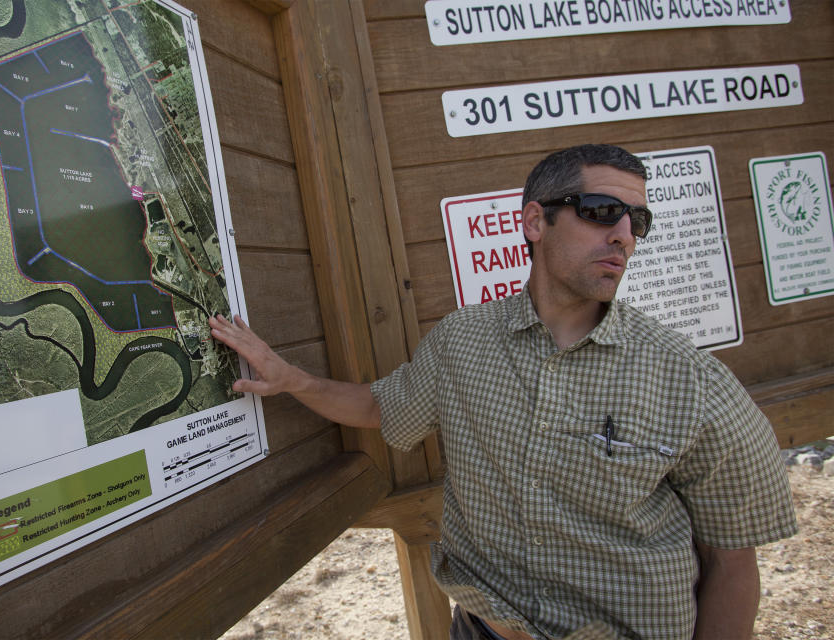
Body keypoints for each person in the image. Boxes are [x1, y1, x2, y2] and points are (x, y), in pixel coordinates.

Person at [209, 144, 796, 640]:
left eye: (636, 221)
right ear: (535, 222)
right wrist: (291, 379)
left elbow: (732, 560)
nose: (623, 236)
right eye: (602, 211)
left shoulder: (691, 381)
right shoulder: (463, 342)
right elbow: (381, 406)